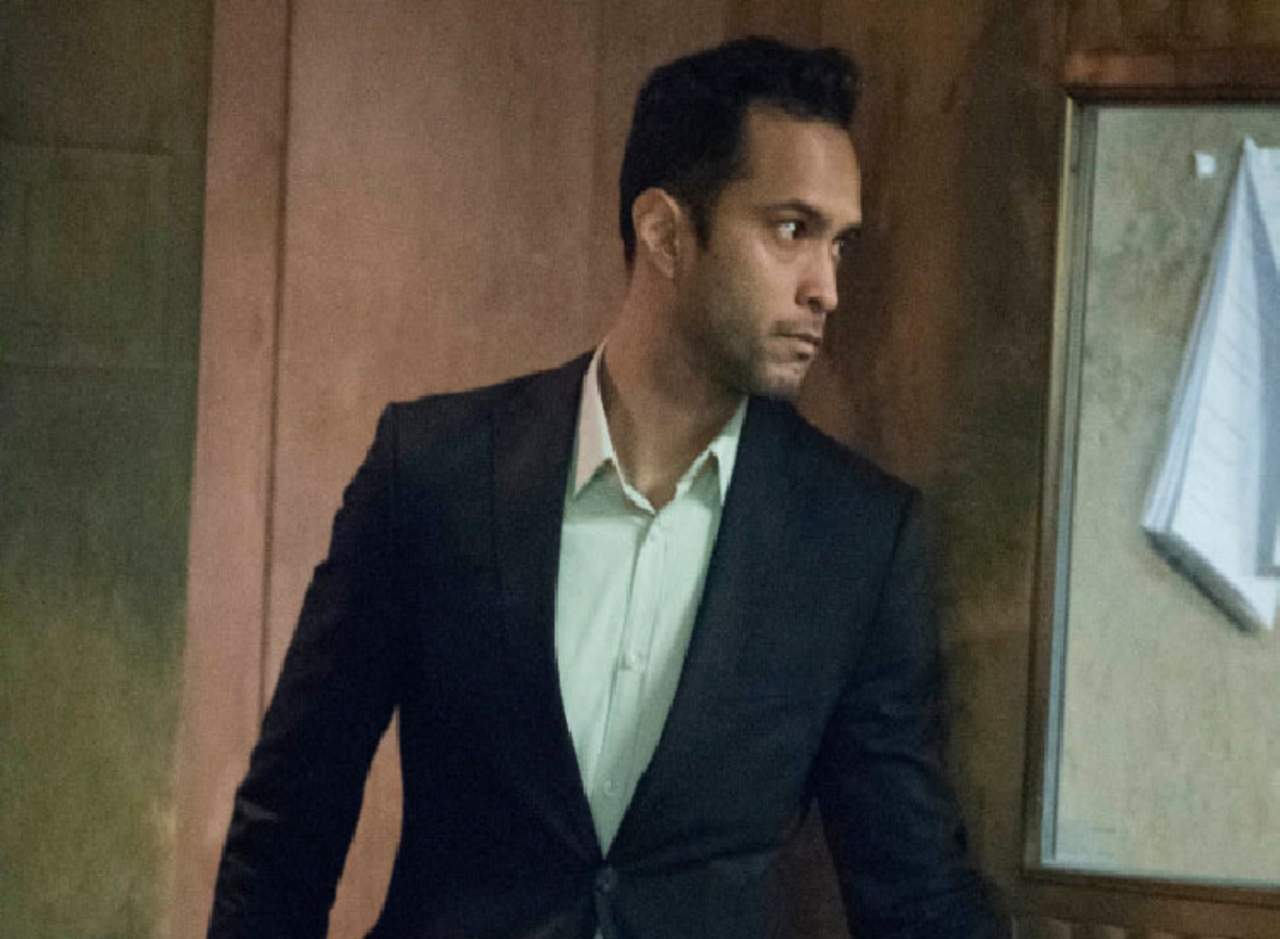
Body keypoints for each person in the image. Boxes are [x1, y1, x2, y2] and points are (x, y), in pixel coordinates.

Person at [208, 36, 1004, 939]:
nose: (826, 287)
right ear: (665, 232)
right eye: (792, 230)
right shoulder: (433, 474)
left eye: (839, 244)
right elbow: (291, 819)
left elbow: (913, 886)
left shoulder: (855, 538)